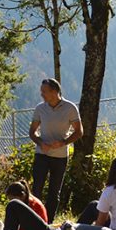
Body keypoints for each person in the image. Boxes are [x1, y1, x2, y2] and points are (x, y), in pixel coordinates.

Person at [29, 77, 82, 211]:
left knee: (54, 192)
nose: (41, 94)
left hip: (60, 156)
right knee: (37, 189)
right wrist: (40, 143)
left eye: (44, 91)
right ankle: (35, 220)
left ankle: (49, 223)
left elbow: (79, 131)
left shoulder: (70, 108)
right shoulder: (40, 108)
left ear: (54, 91)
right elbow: (32, 132)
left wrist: (64, 142)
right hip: (41, 154)